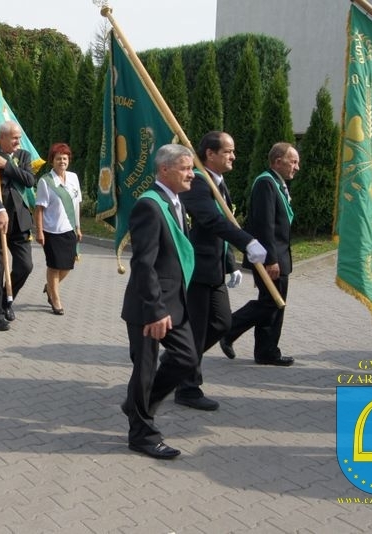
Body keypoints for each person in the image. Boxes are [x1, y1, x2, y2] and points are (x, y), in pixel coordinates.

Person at [173, 132, 267, 411]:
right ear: (210, 154)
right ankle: (187, 387)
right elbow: (211, 220)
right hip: (197, 270)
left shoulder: (218, 183)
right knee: (196, 329)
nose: (233, 156)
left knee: (222, 324)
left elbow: (224, 226)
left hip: (214, 269)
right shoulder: (198, 183)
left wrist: (231, 263)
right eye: (227, 151)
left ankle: (176, 362)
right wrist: (246, 242)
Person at [120, 144, 199, 459]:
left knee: (187, 358)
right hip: (148, 307)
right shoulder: (150, 206)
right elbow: (143, 263)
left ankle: (137, 405)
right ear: (164, 170)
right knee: (144, 371)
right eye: (185, 168)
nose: (192, 174)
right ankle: (142, 434)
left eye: (191, 168)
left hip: (174, 303)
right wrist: (154, 310)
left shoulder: (175, 201)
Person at [220, 142, 299, 366]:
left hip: (279, 256)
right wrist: (271, 260)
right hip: (270, 258)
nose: (296, 167)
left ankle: (266, 351)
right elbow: (265, 225)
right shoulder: (266, 182)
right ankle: (229, 330)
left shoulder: (277, 183)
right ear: (278, 162)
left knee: (273, 304)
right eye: (293, 162)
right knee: (271, 304)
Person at [0, 121, 36, 331]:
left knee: (25, 265)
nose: (18, 141)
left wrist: (7, 166)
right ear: (2, 138)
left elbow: (30, 180)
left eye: (19, 137)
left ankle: (6, 300)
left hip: (19, 220)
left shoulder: (23, 156)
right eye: (14, 138)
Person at [34, 142, 82, 315]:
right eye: (58, 158)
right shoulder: (45, 181)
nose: (62, 161)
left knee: (67, 266)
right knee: (54, 266)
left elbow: (76, 205)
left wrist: (78, 227)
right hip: (51, 231)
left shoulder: (73, 178)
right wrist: (39, 231)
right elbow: (39, 208)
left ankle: (49, 287)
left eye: (65, 158)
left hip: (69, 229)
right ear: (52, 161)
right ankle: (55, 300)